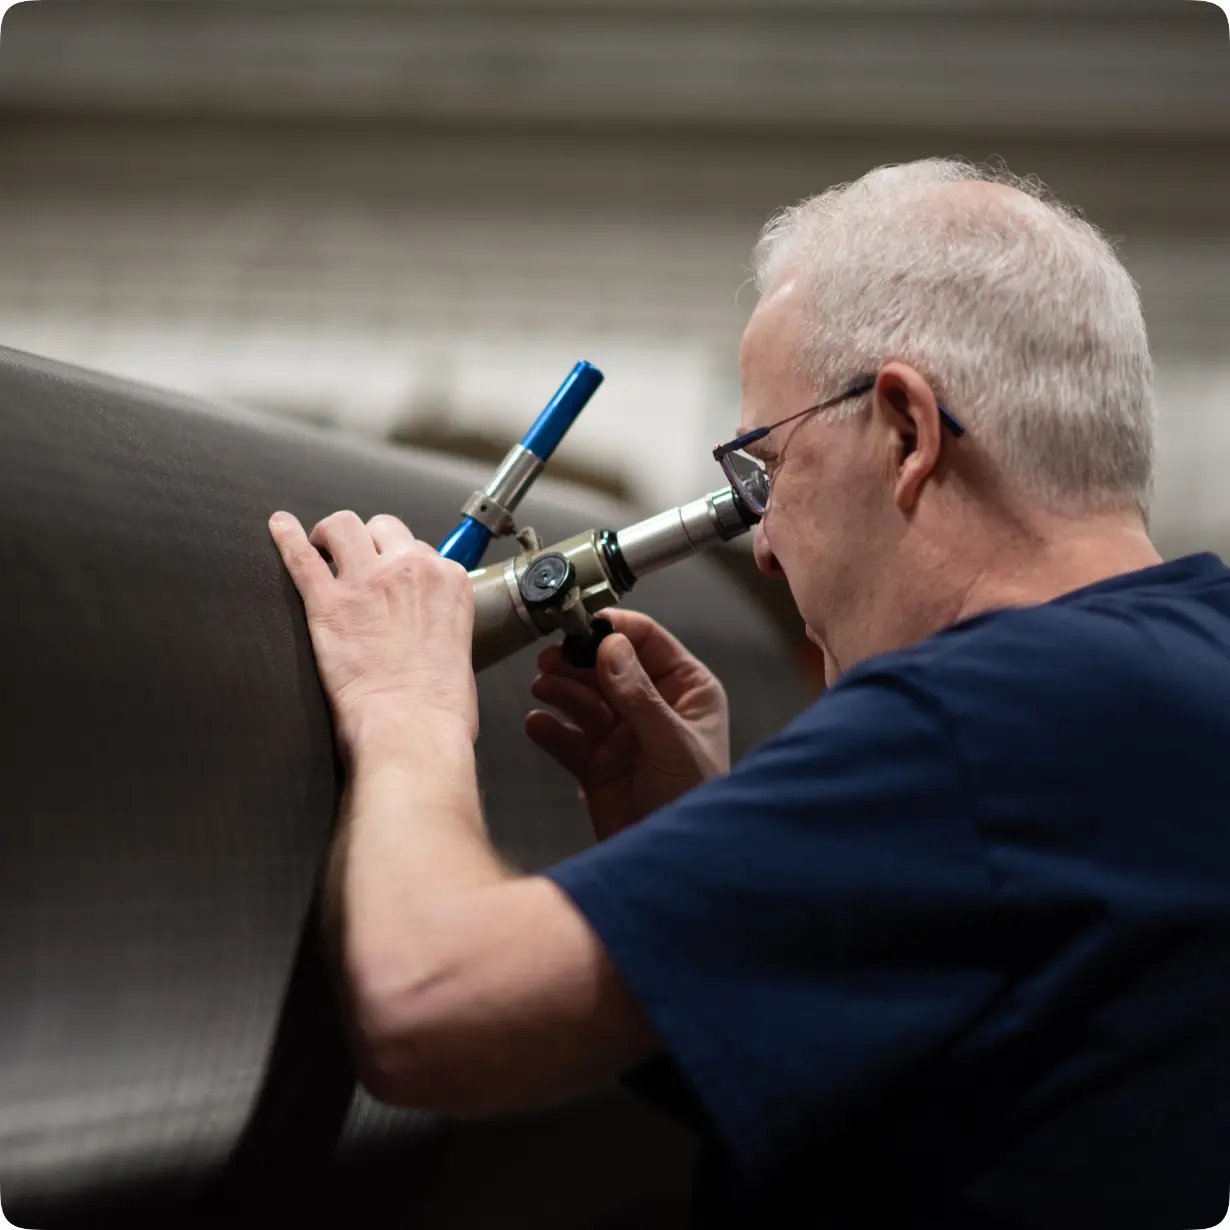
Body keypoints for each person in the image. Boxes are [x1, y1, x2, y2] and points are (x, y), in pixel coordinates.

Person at [266, 158, 1230, 1229]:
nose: (762, 551)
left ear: (905, 431)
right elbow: (957, 1082)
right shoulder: (1188, 667)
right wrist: (710, 853)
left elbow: (429, 1006)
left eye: (765, 475)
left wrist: (406, 698)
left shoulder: (983, 718)